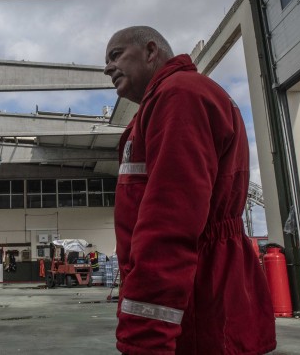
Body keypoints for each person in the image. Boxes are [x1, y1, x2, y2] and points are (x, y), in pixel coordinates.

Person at [103, 26, 276, 354]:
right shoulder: (167, 102)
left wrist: (144, 337)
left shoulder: (179, 95)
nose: (107, 68)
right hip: (200, 292)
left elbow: (169, 224)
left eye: (116, 55)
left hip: (197, 298)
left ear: (151, 52)